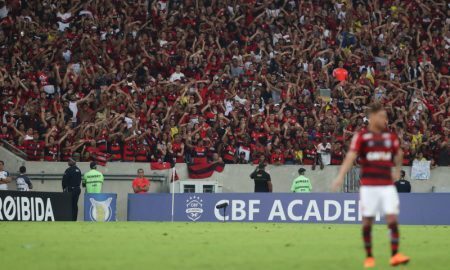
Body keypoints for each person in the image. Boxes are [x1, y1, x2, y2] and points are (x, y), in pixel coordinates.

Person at [331, 103, 409, 268]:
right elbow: (350, 157)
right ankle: (369, 256)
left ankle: (395, 255)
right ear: (372, 117)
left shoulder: (390, 137)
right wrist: (340, 176)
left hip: (387, 185)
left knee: (392, 219)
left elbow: (399, 153)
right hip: (369, 186)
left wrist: (397, 170)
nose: (385, 120)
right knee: (367, 221)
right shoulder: (362, 137)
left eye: (385, 117)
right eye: (381, 116)